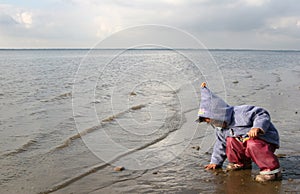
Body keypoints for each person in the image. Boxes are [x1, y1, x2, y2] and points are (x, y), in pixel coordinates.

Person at [196, 82, 281, 182]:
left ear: (218, 114)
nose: (214, 125)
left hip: (264, 140)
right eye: (210, 123)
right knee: (230, 141)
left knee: (252, 144)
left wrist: (257, 127)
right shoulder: (221, 129)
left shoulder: (241, 113)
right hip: (243, 144)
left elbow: (262, 113)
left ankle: (272, 171)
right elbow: (220, 145)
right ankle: (240, 163)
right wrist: (215, 162)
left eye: (213, 120)